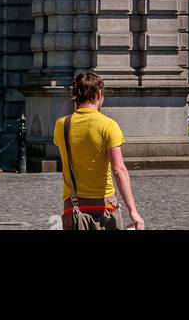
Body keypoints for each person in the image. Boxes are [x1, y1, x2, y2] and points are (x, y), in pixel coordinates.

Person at [52, 72, 145, 231]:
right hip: (103, 207)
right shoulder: (108, 125)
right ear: (100, 94)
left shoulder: (62, 124)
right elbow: (119, 170)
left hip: (72, 208)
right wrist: (133, 211)